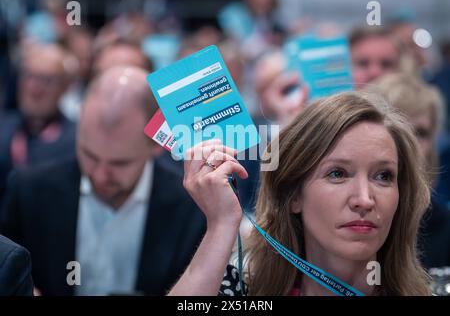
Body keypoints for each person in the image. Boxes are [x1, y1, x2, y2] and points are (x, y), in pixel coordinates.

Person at [169, 91, 431, 296]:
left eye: (383, 176)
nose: (364, 199)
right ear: (294, 195)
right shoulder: (244, 291)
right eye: (337, 173)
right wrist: (221, 225)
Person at [0, 66, 206, 295]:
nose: (99, 175)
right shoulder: (29, 190)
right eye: (89, 155)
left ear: (156, 145)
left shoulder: (193, 206)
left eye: (119, 163)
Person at [372, 73, 450, 269]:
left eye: (420, 133)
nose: (409, 144)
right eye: (398, 129)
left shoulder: (444, 227)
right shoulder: (349, 211)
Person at [0, 43, 76, 205]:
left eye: (46, 80)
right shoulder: (3, 127)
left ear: (65, 87)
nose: (34, 88)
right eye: (28, 76)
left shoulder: (76, 141)